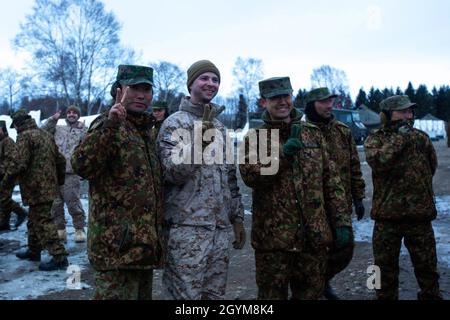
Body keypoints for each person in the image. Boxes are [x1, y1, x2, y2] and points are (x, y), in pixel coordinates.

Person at [239, 77, 349, 300]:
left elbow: (332, 181)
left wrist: (341, 222)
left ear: (292, 97)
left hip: (313, 238)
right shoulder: (256, 137)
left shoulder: (312, 132)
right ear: (263, 102)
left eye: (285, 96)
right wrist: (282, 157)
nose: (282, 102)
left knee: (310, 295)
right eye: (275, 98)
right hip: (273, 241)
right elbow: (251, 177)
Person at [71, 65, 164, 300]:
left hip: (142, 251)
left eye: (147, 89)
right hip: (116, 252)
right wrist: (110, 126)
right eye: (134, 89)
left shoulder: (145, 131)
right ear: (118, 91)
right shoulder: (107, 124)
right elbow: (82, 165)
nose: (142, 95)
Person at [157, 60, 246, 300]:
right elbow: (173, 172)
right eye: (204, 78)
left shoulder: (219, 127)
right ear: (191, 84)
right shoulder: (174, 123)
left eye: (215, 79)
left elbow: (229, 177)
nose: (211, 83)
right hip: (186, 230)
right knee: (185, 298)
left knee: (213, 296)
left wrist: (236, 218)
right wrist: (199, 143)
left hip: (219, 229)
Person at [364, 95, 442, 300]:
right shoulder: (375, 139)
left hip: (420, 216)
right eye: (403, 111)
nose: (409, 115)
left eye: (410, 111)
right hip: (387, 217)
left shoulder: (421, 138)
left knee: (428, 268)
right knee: (381, 269)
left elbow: (431, 167)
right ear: (387, 115)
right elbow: (379, 162)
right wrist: (400, 138)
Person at [304, 87, 366, 299]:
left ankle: (322, 280)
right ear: (312, 104)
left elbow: (354, 165)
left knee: (345, 247)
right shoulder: (302, 131)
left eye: (331, 101)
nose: (329, 106)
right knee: (318, 250)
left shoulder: (342, 130)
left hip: (341, 203)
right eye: (323, 102)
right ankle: (316, 288)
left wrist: (358, 197)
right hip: (314, 206)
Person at [7, 109, 69, 271]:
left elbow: (19, 163)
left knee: (42, 221)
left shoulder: (24, 137)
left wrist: (6, 179)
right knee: (34, 219)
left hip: (35, 188)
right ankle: (34, 250)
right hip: (48, 186)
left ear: (17, 124)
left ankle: (59, 257)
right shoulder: (45, 135)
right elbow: (60, 160)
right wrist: (59, 180)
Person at [42, 106, 87, 243]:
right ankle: (60, 230)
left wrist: (83, 130)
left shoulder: (82, 129)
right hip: (55, 172)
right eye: (69, 112)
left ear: (78, 115)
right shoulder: (58, 128)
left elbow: (89, 144)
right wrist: (52, 120)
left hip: (71, 173)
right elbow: (42, 131)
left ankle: (79, 229)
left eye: (74, 113)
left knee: (73, 203)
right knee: (55, 204)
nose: (71, 114)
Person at [0, 120, 28, 231]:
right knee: (3, 199)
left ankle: (21, 212)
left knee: (3, 198)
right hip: (2, 175)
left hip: (7, 175)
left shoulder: (8, 141)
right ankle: (4, 222)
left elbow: (11, 160)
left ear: (3, 129)